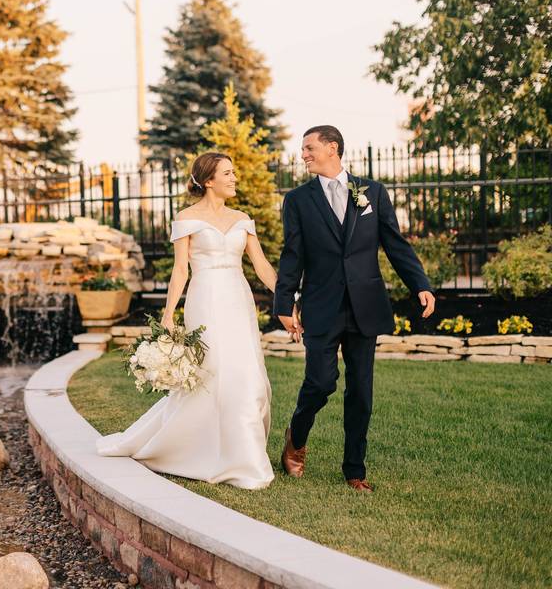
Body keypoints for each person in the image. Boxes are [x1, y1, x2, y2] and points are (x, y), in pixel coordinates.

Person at [95, 151, 282, 490]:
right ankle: (201, 452)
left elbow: (262, 266)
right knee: (213, 372)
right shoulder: (186, 218)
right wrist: (169, 315)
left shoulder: (242, 218)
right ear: (208, 180)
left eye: (233, 172)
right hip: (206, 298)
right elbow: (181, 270)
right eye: (227, 173)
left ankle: (245, 454)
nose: (234, 178)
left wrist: (287, 300)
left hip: (238, 299)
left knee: (247, 375)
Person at [273, 125, 435, 493]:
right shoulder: (298, 200)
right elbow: (292, 255)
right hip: (320, 305)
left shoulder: (372, 192)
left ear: (333, 148)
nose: (304, 155)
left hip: (365, 304)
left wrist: (420, 285)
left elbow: (395, 244)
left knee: (361, 390)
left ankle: (354, 471)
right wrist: (285, 302)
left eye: (310, 148)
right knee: (321, 381)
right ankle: (296, 437)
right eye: (303, 150)